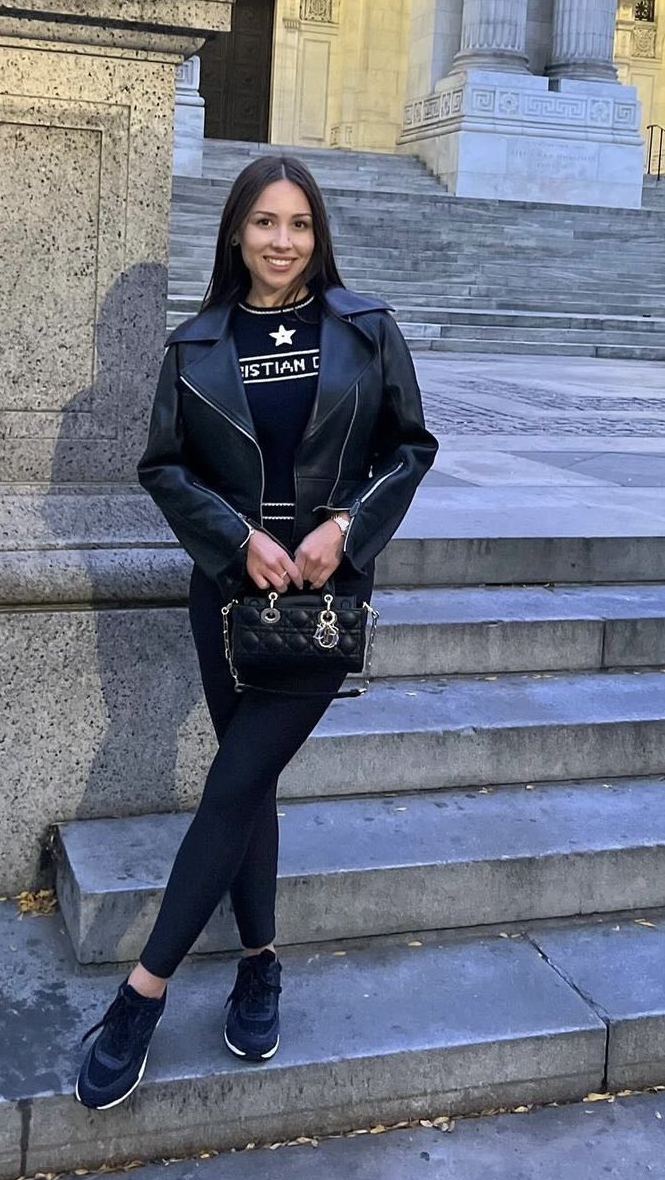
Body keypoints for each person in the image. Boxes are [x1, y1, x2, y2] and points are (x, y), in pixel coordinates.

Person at [74, 153, 438, 1110]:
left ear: (319, 235)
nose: (284, 241)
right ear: (236, 231)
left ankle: (141, 994)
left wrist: (345, 526)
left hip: (321, 599)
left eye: (300, 224)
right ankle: (260, 962)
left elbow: (410, 447)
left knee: (232, 781)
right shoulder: (196, 346)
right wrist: (236, 539)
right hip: (230, 597)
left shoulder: (365, 329)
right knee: (252, 783)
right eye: (266, 222)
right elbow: (164, 468)